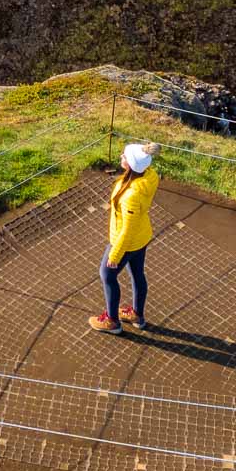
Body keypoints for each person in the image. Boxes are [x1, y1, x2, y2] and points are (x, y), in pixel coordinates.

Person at [89, 142, 160, 334]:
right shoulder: (149, 176)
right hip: (142, 236)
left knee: (107, 274)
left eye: (125, 157)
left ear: (130, 165)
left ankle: (112, 322)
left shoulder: (131, 195)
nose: (121, 157)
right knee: (137, 275)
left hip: (127, 241)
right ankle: (137, 315)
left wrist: (115, 254)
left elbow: (127, 230)